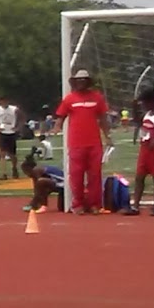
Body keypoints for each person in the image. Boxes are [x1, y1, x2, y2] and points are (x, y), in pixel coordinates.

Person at [56, 69, 111, 214]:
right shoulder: (69, 99)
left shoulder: (97, 98)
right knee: (76, 175)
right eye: (78, 80)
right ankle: (78, 204)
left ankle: (95, 204)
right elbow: (61, 116)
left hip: (94, 142)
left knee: (95, 175)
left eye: (84, 80)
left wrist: (107, 135)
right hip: (76, 143)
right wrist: (56, 127)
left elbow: (103, 118)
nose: (81, 82)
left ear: (88, 82)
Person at [0, 96, 22, 179]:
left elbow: (22, 118)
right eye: (2, 102)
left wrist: (18, 127)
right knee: (2, 153)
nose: (4, 103)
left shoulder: (14, 109)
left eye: (5, 101)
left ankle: (14, 168)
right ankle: (4, 173)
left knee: (12, 154)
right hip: (2, 133)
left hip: (11, 132)